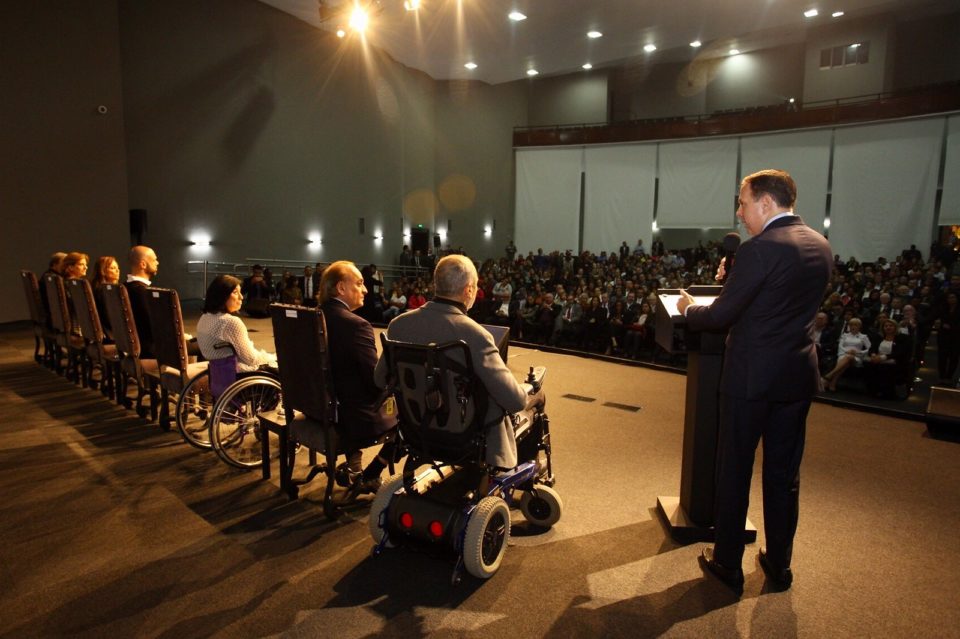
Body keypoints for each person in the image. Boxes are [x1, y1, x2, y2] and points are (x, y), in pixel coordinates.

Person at [677, 169, 832, 593]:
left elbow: (721, 316)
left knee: (735, 469)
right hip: (797, 377)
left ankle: (728, 562)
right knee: (785, 475)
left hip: (750, 380)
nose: (740, 212)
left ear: (766, 202)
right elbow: (777, 305)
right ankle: (779, 565)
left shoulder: (760, 250)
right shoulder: (820, 246)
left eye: (743, 203)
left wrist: (688, 308)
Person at [375, 254, 539, 470]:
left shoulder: (398, 325)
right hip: (466, 437)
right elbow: (515, 402)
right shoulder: (475, 335)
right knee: (535, 396)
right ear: (469, 290)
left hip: (416, 431)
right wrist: (527, 388)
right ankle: (526, 474)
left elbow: (380, 380)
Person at [320, 261, 399, 494]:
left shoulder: (314, 316)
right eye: (359, 283)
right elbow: (375, 381)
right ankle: (371, 474)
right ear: (341, 288)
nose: (365, 290)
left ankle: (354, 465)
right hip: (350, 414)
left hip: (319, 406)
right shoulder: (356, 325)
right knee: (413, 413)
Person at [196, 275, 277, 372]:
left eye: (240, 292)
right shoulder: (230, 322)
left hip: (218, 371)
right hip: (238, 374)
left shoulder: (205, 317)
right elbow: (251, 359)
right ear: (222, 296)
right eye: (235, 292)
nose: (241, 297)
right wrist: (273, 357)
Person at [125, 245, 160, 358]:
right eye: (154, 259)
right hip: (150, 350)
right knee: (202, 345)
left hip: (132, 347)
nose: (157, 262)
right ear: (143, 264)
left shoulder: (124, 288)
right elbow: (153, 326)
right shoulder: (141, 292)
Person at [821, 318, 870, 392]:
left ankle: (828, 376)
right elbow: (840, 346)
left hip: (856, 357)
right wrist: (847, 351)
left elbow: (869, 348)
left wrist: (858, 352)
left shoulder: (863, 337)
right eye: (851, 324)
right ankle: (833, 382)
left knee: (849, 358)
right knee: (847, 360)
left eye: (855, 325)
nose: (853, 326)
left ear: (860, 326)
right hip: (843, 355)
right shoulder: (845, 335)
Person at [92, 255, 121, 338]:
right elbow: (111, 319)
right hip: (111, 335)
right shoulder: (105, 292)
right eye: (112, 268)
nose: (117, 270)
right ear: (103, 271)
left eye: (117, 268)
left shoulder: (97, 288)